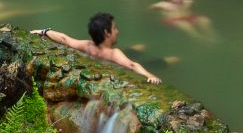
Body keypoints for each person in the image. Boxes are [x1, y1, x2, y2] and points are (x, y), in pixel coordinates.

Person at [33, 13, 161, 84]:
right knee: (150, 59)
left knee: (137, 48)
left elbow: (65, 40)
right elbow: (132, 65)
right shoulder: (113, 54)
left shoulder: (87, 46)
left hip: (94, 71)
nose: (117, 31)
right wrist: (149, 75)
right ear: (107, 33)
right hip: (111, 72)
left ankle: (139, 48)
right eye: (115, 28)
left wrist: (43, 31)